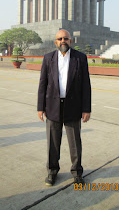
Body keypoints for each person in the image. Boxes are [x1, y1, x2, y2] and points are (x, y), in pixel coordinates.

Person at [37, 29, 91, 186]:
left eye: (65, 38)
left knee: (75, 143)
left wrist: (86, 109)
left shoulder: (80, 58)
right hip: (52, 107)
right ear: (55, 42)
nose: (63, 41)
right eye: (59, 39)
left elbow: (86, 86)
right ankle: (52, 171)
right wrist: (41, 107)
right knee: (52, 144)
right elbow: (43, 84)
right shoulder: (48, 58)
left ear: (71, 41)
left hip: (73, 107)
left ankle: (77, 173)